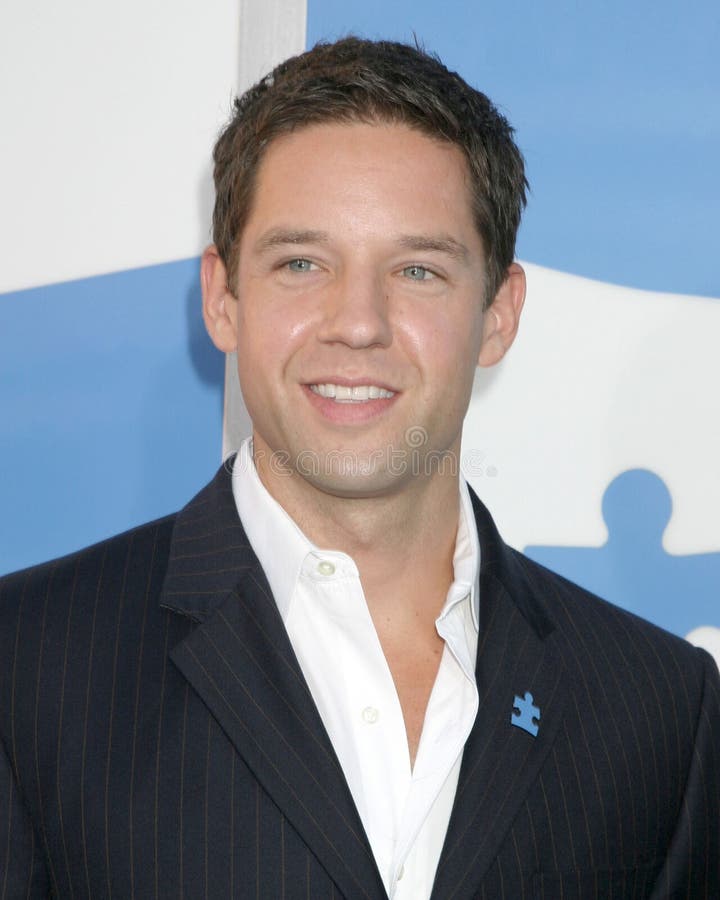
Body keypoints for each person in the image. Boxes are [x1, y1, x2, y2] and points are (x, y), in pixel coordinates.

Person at [0, 37, 718, 900]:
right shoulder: (26, 668)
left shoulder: (658, 707)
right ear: (222, 297)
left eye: (417, 271)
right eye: (302, 264)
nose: (359, 323)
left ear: (498, 313)